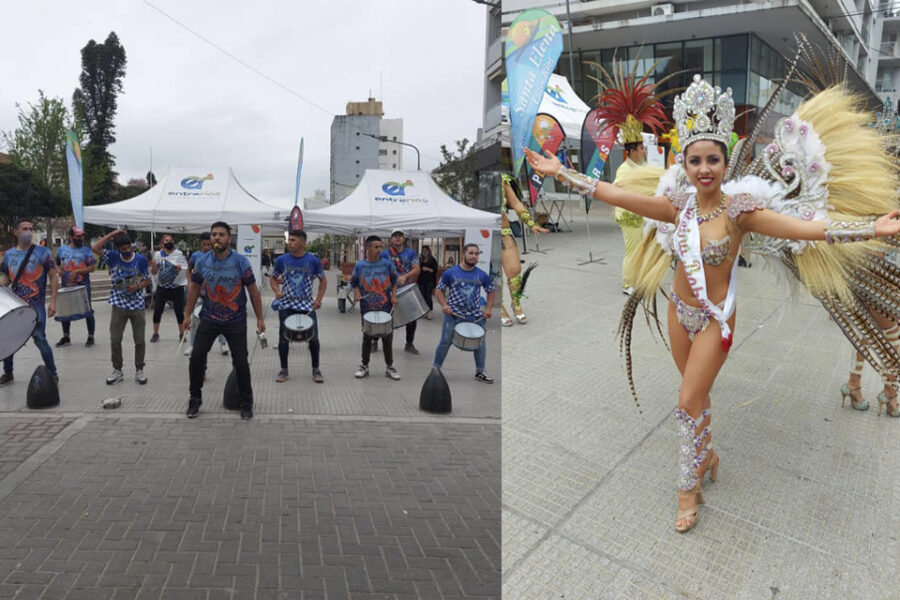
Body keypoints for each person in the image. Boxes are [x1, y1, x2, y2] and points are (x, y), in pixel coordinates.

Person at [524, 72, 900, 533]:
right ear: (684, 162)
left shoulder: (742, 212)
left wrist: (870, 228)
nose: (705, 169)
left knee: (685, 402)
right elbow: (614, 193)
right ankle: (709, 455)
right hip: (678, 316)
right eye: (696, 160)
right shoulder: (677, 205)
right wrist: (560, 172)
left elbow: (807, 230)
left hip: (715, 321)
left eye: (713, 160)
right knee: (697, 396)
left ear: (726, 162)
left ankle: (688, 490)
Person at [182, 221, 266, 420]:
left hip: (235, 320)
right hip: (208, 319)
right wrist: (187, 314)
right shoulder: (202, 261)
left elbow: (253, 291)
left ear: (229, 238)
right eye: (213, 234)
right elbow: (194, 288)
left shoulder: (240, 262)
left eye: (221, 234)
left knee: (241, 363)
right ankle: (195, 399)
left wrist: (260, 318)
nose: (216, 238)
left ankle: (246, 402)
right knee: (196, 359)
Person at [0, 218, 59, 385]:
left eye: (31, 228)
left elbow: (54, 277)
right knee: (8, 338)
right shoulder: (9, 255)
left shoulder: (43, 252)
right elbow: (7, 279)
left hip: (36, 304)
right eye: (24, 228)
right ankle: (8, 373)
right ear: (16, 232)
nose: (28, 232)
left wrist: (53, 302)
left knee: (40, 338)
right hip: (15, 305)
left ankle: (52, 373)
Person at [92, 229, 151, 385]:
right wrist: (113, 234)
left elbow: (147, 280)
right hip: (118, 304)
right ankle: (117, 370)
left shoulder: (140, 259)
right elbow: (95, 248)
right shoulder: (112, 257)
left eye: (128, 248)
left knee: (139, 340)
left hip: (137, 304)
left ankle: (139, 369)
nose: (126, 251)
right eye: (123, 249)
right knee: (115, 339)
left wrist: (138, 286)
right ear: (117, 248)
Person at [432, 243, 496, 383]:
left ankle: (480, 372)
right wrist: (444, 305)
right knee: (445, 342)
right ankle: (435, 369)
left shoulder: (481, 274)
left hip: (475, 316)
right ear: (464, 254)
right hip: (454, 315)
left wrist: (488, 308)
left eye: (476, 254)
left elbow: (491, 291)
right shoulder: (450, 273)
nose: (474, 256)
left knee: (480, 343)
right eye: (471, 253)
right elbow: (438, 290)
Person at [270, 229, 326, 383]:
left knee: (313, 338)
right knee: (283, 338)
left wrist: (318, 299)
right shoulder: (282, 260)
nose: (290, 243)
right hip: (287, 304)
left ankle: (316, 369)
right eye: (290, 240)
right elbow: (273, 278)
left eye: (293, 240)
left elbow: (323, 280)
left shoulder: (313, 260)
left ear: (303, 242)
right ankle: (283, 369)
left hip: (307, 305)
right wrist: (277, 291)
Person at [350, 235, 399, 380]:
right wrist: (358, 293)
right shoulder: (360, 266)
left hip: (385, 306)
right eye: (376, 247)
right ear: (367, 248)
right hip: (367, 308)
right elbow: (354, 283)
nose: (379, 250)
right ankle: (364, 365)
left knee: (387, 337)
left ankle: (390, 366)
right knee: (367, 336)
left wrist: (394, 296)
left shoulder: (387, 264)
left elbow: (395, 281)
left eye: (380, 247)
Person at [500, 176, 547, 326]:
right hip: (484, 234)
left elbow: (515, 202)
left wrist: (531, 223)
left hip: (504, 232)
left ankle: (516, 304)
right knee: (493, 276)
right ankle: (500, 308)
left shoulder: (502, 180)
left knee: (514, 270)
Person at [184, 232, 228, 356]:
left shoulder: (218, 256)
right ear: (200, 244)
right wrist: (189, 282)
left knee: (220, 319)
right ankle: (192, 345)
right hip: (200, 294)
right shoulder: (196, 256)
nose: (207, 247)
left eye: (209, 244)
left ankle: (223, 344)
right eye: (204, 245)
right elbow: (188, 270)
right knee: (194, 320)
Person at [54, 226, 97, 347]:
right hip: (66, 285)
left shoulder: (86, 251)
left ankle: (90, 336)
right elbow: (56, 263)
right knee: (65, 311)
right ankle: (66, 336)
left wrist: (77, 272)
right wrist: (59, 270)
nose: (81, 238)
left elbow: (92, 267)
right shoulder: (62, 250)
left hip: (83, 286)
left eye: (82, 236)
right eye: (78, 236)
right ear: (71, 237)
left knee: (87, 309)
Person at [381, 229, 421, 353]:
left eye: (400, 236)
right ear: (391, 239)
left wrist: (405, 277)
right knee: (384, 317)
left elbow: (416, 269)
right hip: (388, 291)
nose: (397, 238)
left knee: (412, 318)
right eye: (395, 236)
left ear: (404, 239)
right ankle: (374, 341)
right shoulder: (384, 254)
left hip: (405, 289)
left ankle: (409, 343)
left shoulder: (411, 253)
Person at [149, 234, 188, 343]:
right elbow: (154, 272)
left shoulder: (179, 254)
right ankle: (155, 333)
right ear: (162, 243)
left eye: (171, 240)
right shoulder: (157, 255)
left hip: (177, 286)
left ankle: (181, 334)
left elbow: (185, 269)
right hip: (162, 287)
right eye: (166, 240)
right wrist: (153, 266)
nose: (169, 242)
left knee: (179, 311)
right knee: (158, 310)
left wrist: (180, 269)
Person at [417, 245, 439, 319]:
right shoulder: (420, 259)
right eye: (423, 251)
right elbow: (417, 268)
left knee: (428, 296)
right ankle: (423, 311)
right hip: (421, 281)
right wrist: (421, 269)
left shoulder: (432, 260)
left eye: (426, 251)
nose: (424, 253)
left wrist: (427, 269)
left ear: (429, 251)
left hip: (429, 281)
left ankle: (429, 311)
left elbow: (435, 271)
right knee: (422, 296)